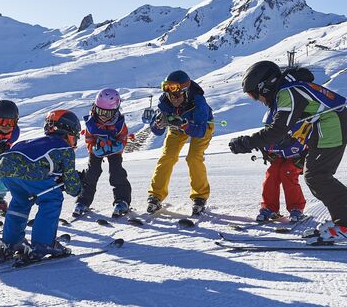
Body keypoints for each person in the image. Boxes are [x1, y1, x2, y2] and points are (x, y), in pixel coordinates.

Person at [229, 61, 347, 244]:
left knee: (317, 176)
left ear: (264, 86)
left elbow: (278, 131)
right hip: (329, 125)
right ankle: (342, 220)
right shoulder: (291, 89)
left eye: (254, 94)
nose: (257, 100)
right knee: (316, 175)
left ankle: (344, 225)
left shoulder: (287, 92)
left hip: (332, 126)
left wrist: (247, 142)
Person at [0, 109, 82, 263]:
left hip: (4, 166)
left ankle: (10, 243)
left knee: (21, 201)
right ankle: (43, 244)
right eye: (76, 135)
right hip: (28, 170)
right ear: (68, 131)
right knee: (51, 200)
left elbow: (42, 169)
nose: (76, 139)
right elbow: (72, 187)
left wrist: (55, 182)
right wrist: (80, 186)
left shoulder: (38, 142)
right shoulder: (64, 148)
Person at [147, 70, 214, 216]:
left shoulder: (198, 101)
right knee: (167, 157)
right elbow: (156, 131)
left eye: (177, 95)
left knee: (193, 157)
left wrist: (185, 125)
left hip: (200, 125)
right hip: (177, 127)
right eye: (170, 94)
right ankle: (155, 196)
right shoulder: (164, 101)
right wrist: (158, 125)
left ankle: (200, 197)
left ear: (185, 91)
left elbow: (201, 131)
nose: (173, 98)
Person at [73, 88, 131, 218]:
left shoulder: (119, 124)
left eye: (107, 113)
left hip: (114, 151)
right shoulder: (91, 123)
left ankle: (122, 201)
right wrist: (94, 148)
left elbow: (123, 138)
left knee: (116, 172)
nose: (103, 116)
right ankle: (83, 201)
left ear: (115, 111)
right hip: (97, 150)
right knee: (92, 173)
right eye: (100, 111)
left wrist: (117, 146)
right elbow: (88, 139)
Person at [255, 107, 310, 222]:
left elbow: (312, 144)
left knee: (287, 171)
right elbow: (265, 145)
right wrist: (267, 153)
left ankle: (296, 207)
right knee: (272, 173)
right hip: (280, 157)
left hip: (296, 159)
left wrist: (305, 158)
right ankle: (269, 207)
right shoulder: (271, 136)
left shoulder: (301, 131)